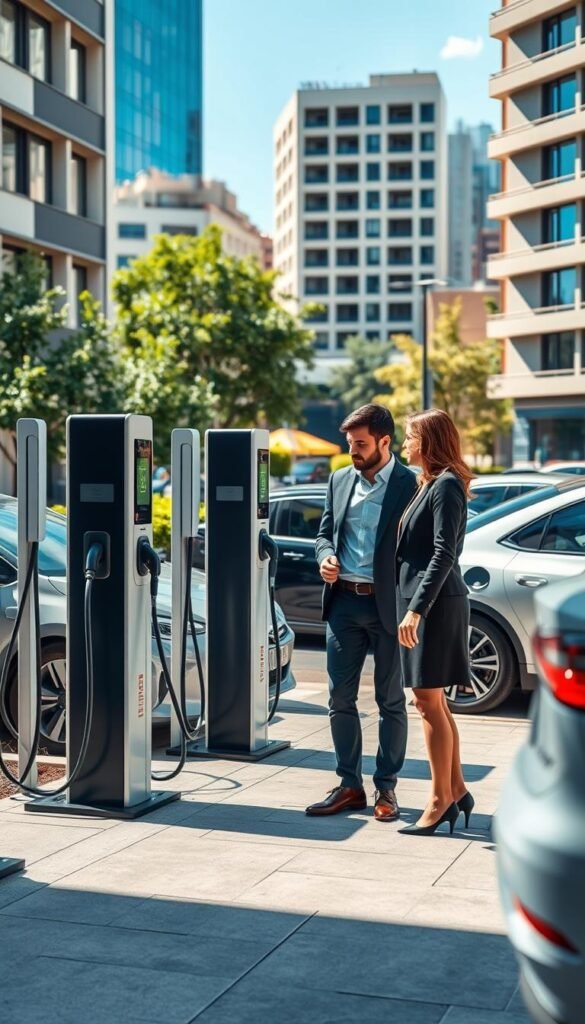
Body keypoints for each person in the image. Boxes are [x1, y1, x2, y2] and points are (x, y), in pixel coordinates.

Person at [306, 404, 418, 821]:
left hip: (388, 607)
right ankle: (349, 785)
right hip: (344, 604)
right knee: (340, 699)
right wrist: (326, 556)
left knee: (391, 701)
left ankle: (386, 789)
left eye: (360, 444)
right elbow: (323, 533)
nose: (352, 451)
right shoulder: (338, 480)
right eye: (350, 443)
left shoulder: (410, 484)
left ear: (384, 442)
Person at [395, 408, 474, 836]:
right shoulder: (431, 483)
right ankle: (457, 789)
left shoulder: (445, 486)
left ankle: (439, 799)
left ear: (427, 441)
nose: (406, 443)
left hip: (435, 606)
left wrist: (415, 609)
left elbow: (444, 553)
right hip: (428, 603)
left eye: (410, 437)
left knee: (427, 702)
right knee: (435, 702)